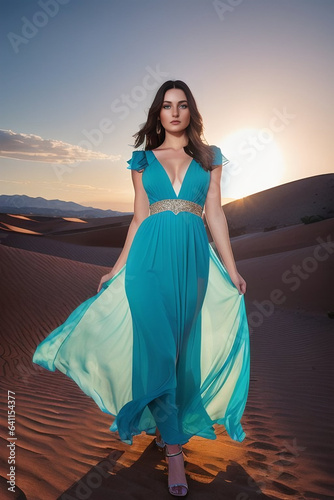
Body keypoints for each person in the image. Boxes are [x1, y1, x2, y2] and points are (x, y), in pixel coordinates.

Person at [33, 80, 250, 497]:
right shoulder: (141, 161)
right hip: (146, 266)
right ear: (157, 113)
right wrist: (116, 269)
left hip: (192, 265)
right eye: (167, 105)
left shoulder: (209, 159)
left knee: (182, 355)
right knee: (160, 353)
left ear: (191, 112)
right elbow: (137, 220)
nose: (174, 112)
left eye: (182, 105)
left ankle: (167, 426)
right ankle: (174, 455)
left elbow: (216, 215)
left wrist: (231, 267)